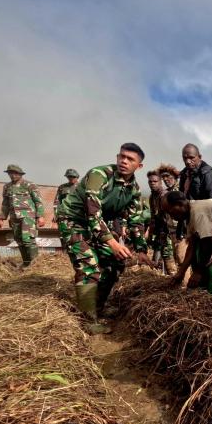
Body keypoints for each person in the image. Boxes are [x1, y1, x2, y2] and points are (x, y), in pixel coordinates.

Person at [56, 143, 151, 334]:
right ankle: (88, 321)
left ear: (139, 166)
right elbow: (93, 214)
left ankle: (97, 307)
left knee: (116, 264)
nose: (124, 161)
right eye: (122, 156)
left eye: (130, 159)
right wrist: (113, 242)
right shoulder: (99, 175)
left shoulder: (134, 190)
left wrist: (141, 250)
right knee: (88, 265)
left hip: (98, 226)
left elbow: (136, 220)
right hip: (73, 221)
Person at [162, 191, 212, 295]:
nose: (171, 217)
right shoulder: (189, 215)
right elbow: (191, 246)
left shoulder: (198, 212)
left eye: (171, 212)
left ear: (180, 204)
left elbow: (207, 243)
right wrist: (181, 272)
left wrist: (198, 272)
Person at [0, 164, 45, 267]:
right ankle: (26, 263)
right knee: (19, 241)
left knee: (28, 240)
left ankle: (35, 265)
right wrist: (2, 218)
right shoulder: (7, 187)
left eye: (15, 173)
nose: (12, 175)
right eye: (10, 173)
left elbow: (38, 202)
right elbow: (5, 203)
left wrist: (40, 216)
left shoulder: (29, 185)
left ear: (20, 174)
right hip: (14, 217)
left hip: (27, 217)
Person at [146, 170, 176, 275]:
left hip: (171, 231)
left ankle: (176, 281)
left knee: (169, 256)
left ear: (160, 182)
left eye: (155, 181)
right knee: (164, 255)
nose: (152, 183)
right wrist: (150, 235)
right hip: (161, 231)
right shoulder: (152, 197)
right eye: (150, 182)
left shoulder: (165, 196)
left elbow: (171, 219)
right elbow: (153, 217)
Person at [157, 164, 187, 266]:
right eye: (163, 178)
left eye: (168, 176)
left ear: (175, 177)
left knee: (181, 257)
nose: (166, 180)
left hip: (182, 230)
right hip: (171, 230)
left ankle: (184, 281)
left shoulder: (182, 190)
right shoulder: (165, 194)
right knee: (177, 258)